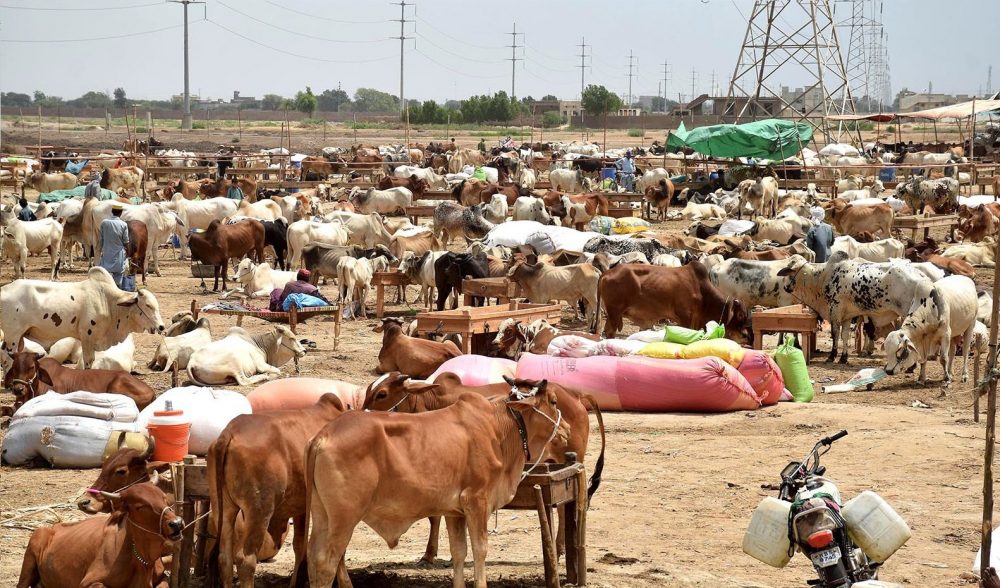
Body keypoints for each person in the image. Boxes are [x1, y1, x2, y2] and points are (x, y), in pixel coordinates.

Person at [98, 201, 130, 288]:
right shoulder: (123, 224)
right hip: (118, 255)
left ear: (112, 211)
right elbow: (126, 241)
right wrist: (128, 253)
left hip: (107, 253)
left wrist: (99, 251)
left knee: (104, 275)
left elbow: (101, 239)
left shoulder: (104, 223)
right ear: (120, 213)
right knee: (118, 276)